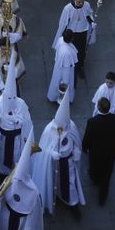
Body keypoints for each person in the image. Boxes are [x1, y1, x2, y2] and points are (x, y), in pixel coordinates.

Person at [32, 91, 85, 219]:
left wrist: (76, 151)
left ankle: (73, 203)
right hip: (54, 163)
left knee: (70, 182)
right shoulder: (49, 130)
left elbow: (76, 141)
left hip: (68, 162)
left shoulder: (71, 126)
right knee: (53, 181)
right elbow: (43, 149)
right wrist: (51, 153)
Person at [0, 56, 33, 177]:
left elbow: (27, 122)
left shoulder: (21, 104)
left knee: (16, 156)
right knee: (2, 156)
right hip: (3, 139)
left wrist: (19, 121)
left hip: (17, 139)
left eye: (13, 98)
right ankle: (1, 173)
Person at [81, 95, 115, 207]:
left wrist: (85, 148)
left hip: (96, 153)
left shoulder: (92, 122)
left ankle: (95, 179)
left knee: (95, 169)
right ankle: (102, 198)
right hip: (110, 152)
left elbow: (87, 137)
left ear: (99, 107)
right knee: (107, 175)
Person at [54, 0, 95, 80]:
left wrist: (92, 22)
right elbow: (64, 22)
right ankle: (72, 65)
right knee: (72, 50)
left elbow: (88, 15)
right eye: (79, 2)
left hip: (83, 30)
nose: (81, 3)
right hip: (72, 33)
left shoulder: (87, 5)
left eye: (82, 1)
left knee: (82, 50)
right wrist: (63, 34)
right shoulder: (68, 8)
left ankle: (80, 67)